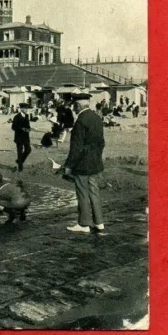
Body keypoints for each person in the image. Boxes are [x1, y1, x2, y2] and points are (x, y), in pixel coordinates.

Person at [64, 93, 106, 233]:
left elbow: (76, 147)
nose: (73, 109)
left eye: (74, 106)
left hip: (82, 164)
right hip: (95, 162)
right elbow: (101, 143)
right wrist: (96, 157)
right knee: (94, 192)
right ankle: (99, 222)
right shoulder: (97, 118)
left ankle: (84, 224)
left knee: (82, 193)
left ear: (77, 105)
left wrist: (69, 165)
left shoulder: (80, 121)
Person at [11, 103, 32, 172]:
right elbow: (13, 127)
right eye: (25, 109)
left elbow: (28, 124)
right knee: (19, 152)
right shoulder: (17, 117)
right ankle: (20, 168)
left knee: (28, 150)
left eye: (27, 109)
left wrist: (29, 128)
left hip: (26, 136)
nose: (26, 110)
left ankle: (19, 161)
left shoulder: (27, 116)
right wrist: (21, 129)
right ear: (21, 109)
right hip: (19, 137)